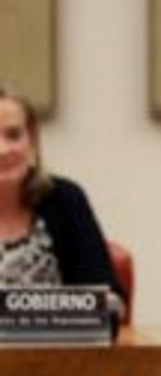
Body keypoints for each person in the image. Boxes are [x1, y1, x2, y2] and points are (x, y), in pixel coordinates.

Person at [0, 85, 125, 313]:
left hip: (56, 348)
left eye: (13, 135)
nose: (3, 149)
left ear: (33, 141)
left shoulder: (65, 200)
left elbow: (108, 305)